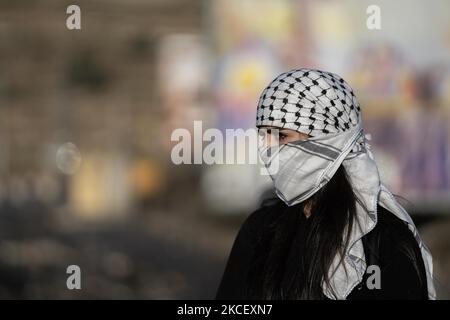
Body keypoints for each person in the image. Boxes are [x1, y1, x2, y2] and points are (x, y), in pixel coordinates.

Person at [215, 68, 436, 300]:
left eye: (281, 136)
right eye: (264, 137)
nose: (268, 150)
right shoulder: (260, 230)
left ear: (330, 140)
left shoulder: (384, 241)